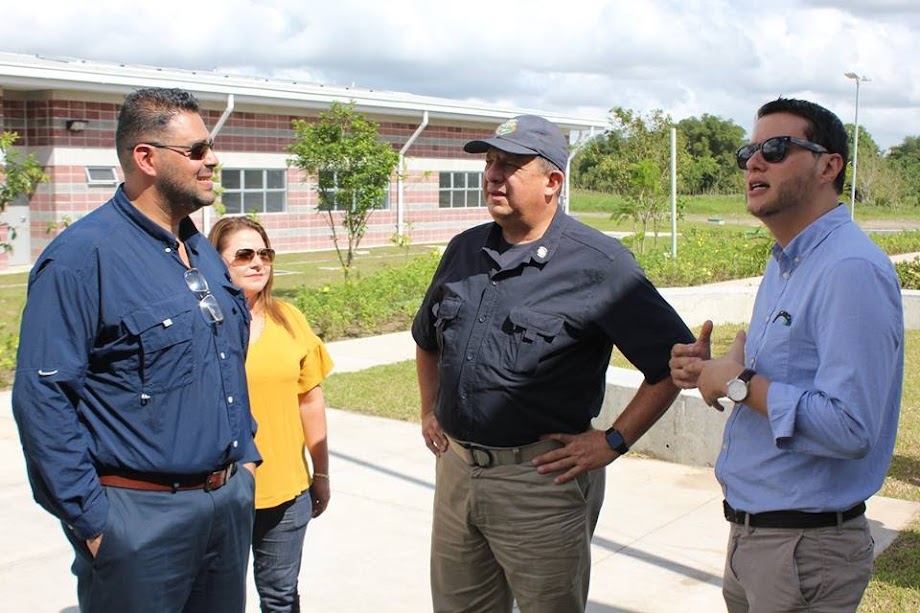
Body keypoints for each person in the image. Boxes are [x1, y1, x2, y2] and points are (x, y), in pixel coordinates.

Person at [412, 114, 695, 612]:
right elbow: (427, 338)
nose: (493, 175)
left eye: (511, 165)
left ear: (553, 182)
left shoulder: (599, 264)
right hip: (456, 473)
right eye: (491, 162)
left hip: (540, 484)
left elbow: (672, 364)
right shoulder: (464, 250)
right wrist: (429, 409)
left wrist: (612, 441)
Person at [11, 88, 260, 613]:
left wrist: (246, 461)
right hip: (139, 520)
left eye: (210, 146)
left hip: (226, 504)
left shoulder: (200, 250)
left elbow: (225, 364)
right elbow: (43, 398)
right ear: (146, 158)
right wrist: (95, 521)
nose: (212, 159)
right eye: (195, 150)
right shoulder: (83, 257)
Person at [670, 98, 904, 613]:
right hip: (758, 538)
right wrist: (708, 370)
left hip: (804, 551)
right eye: (748, 151)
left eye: (775, 149)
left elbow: (850, 427)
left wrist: (737, 384)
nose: (754, 162)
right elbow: (767, 372)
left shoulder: (849, 270)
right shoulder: (788, 261)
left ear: (829, 165)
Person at [209, 216, 333, 612]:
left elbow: (310, 400)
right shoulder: (202, 326)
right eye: (244, 254)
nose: (258, 262)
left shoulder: (290, 319)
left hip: (285, 492)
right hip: (218, 493)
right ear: (216, 262)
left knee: (280, 597)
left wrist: (322, 474)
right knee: (217, 600)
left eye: (265, 253)